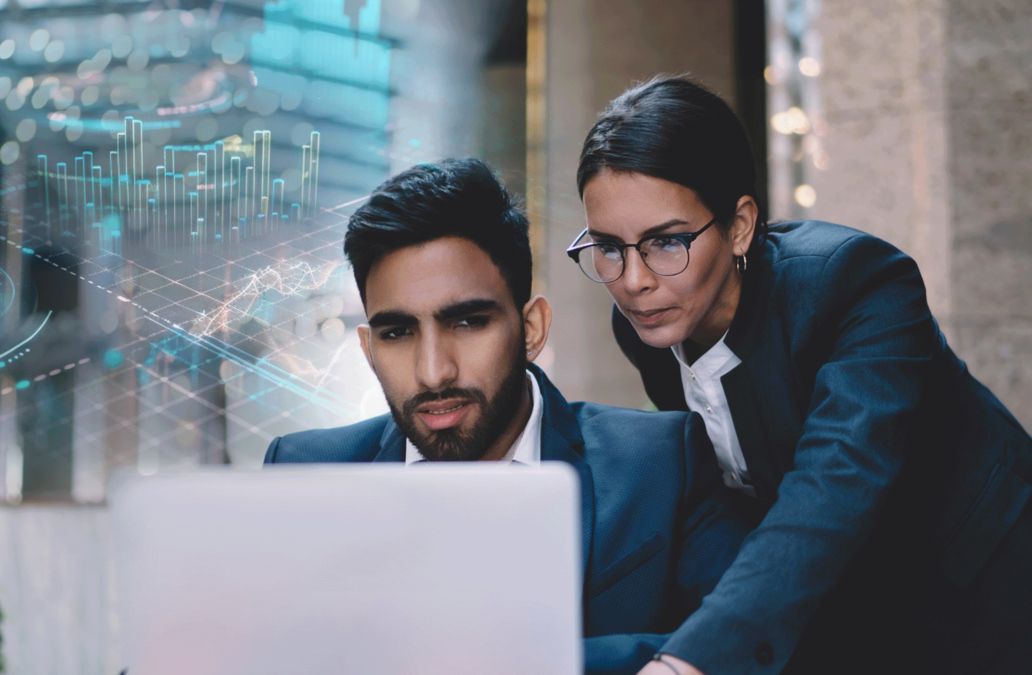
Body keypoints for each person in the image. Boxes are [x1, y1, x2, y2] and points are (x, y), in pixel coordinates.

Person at [568, 76, 1032, 675]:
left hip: (984, 584)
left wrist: (691, 658)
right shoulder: (651, 324)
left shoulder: (855, 284)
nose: (632, 280)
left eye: (666, 242)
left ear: (738, 225)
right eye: (608, 247)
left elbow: (831, 489)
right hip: (839, 605)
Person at [265, 158, 749, 674]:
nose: (433, 373)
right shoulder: (304, 474)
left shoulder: (661, 461)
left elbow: (740, 647)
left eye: (468, 321)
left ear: (533, 329)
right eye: (397, 332)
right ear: (367, 348)